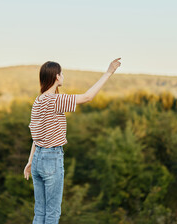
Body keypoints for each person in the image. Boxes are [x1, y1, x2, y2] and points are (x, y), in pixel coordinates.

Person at [23, 57, 121, 224]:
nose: (63, 75)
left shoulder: (38, 101)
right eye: (61, 73)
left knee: (40, 212)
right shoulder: (55, 101)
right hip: (51, 160)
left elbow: (36, 135)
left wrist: (30, 160)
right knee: (52, 214)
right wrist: (108, 72)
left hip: (38, 160)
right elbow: (88, 97)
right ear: (56, 77)